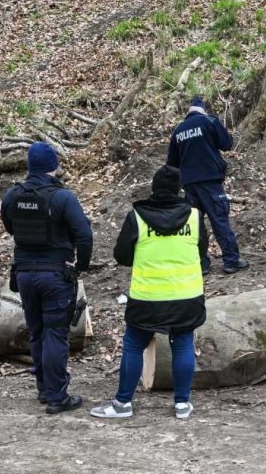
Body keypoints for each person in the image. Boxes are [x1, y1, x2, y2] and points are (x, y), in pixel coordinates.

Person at [91, 166, 207, 420]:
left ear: (153, 188)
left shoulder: (137, 216)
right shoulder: (195, 216)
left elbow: (121, 256)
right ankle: (182, 404)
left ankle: (122, 404)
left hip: (148, 298)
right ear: (178, 190)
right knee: (183, 344)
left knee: (134, 346)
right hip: (187, 297)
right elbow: (201, 252)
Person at [0, 142, 93, 414]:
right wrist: (80, 266)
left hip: (25, 274)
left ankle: (44, 388)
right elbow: (84, 235)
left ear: (30, 166)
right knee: (55, 333)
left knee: (37, 332)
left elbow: (10, 228)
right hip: (55, 274)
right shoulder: (62, 197)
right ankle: (56, 396)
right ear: (54, 166)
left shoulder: (11, 196)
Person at [167, 96, 249, 275]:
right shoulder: (209, 121)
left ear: (189, 111)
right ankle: (231, 261)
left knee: (195, 225)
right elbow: (227, 144)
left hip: (188, 184)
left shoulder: (178, 130)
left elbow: (171, 163)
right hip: (210, 182)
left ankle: (202, 263)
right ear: (202, 109)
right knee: (220, 220)